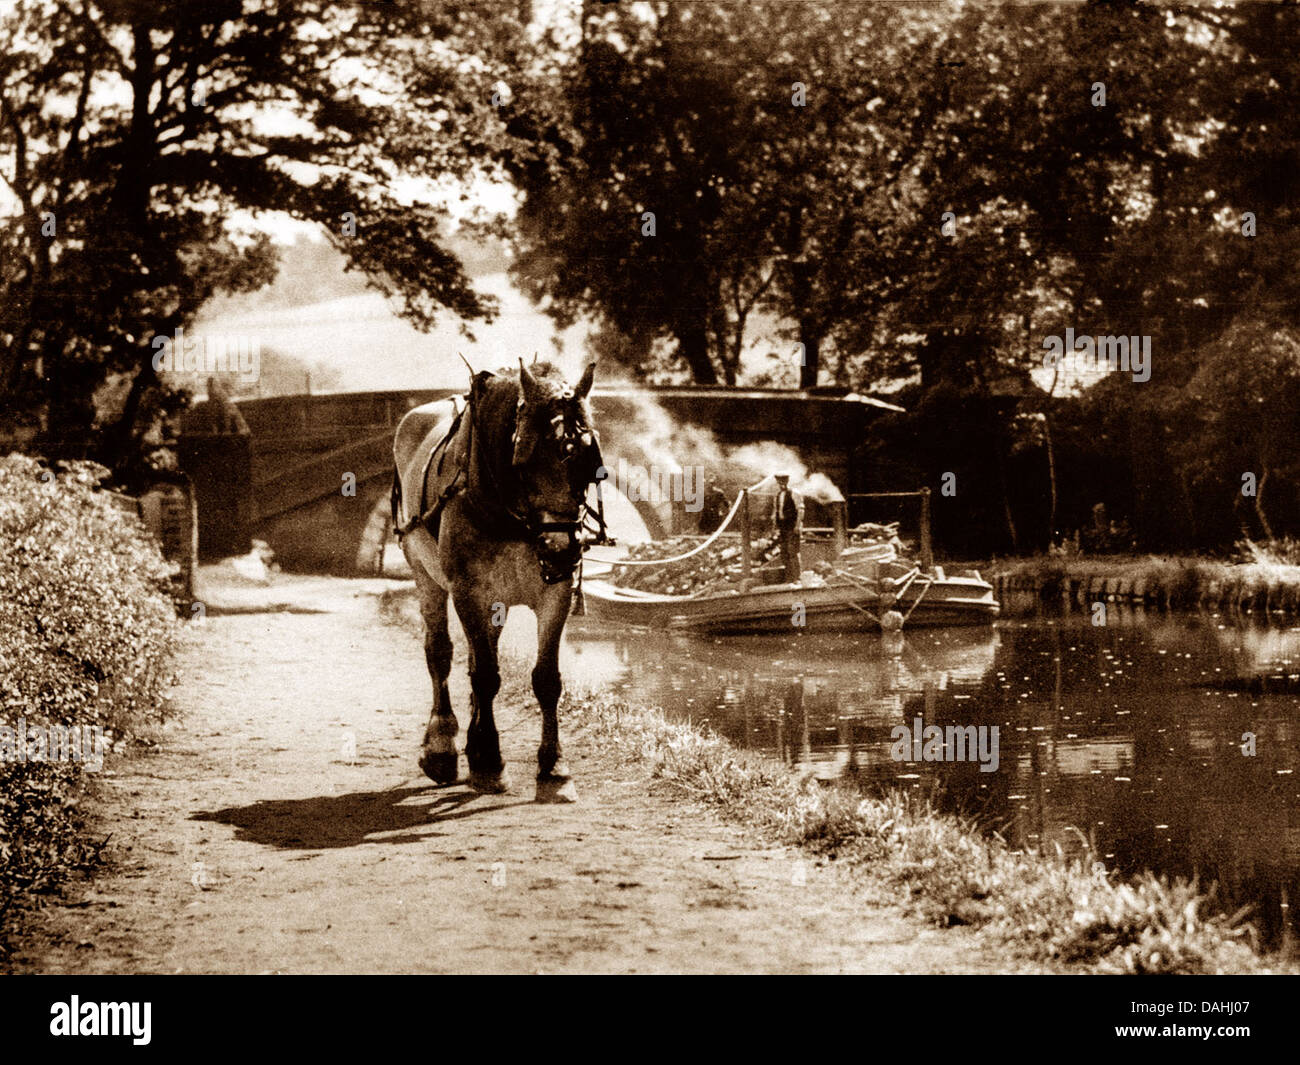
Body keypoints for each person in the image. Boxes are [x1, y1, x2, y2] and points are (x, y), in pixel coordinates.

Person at [771, 473, 803, 582]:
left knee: (793, 552)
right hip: (782, 527)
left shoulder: (795, 493)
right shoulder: (777, 495)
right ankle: (789, 577)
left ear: (787, 481)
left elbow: (800, 510)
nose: (781, 483)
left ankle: (797, 577)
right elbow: (776, 511)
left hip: (792, 526)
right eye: (779, 481)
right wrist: (774, 527)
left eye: (783, 481)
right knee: (784, 553)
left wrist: (798, 525)